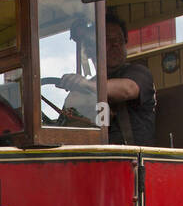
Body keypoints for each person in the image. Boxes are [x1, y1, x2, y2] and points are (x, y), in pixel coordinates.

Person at [58, 10, 157, 145]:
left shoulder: (138, 73)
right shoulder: (85, 86)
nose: (115, 44)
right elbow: (66, 123)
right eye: (108, 40)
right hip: (92, 157)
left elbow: (128, 89)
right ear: (91, 49)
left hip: (132, 160)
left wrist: (85, 85)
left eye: (119, 40)